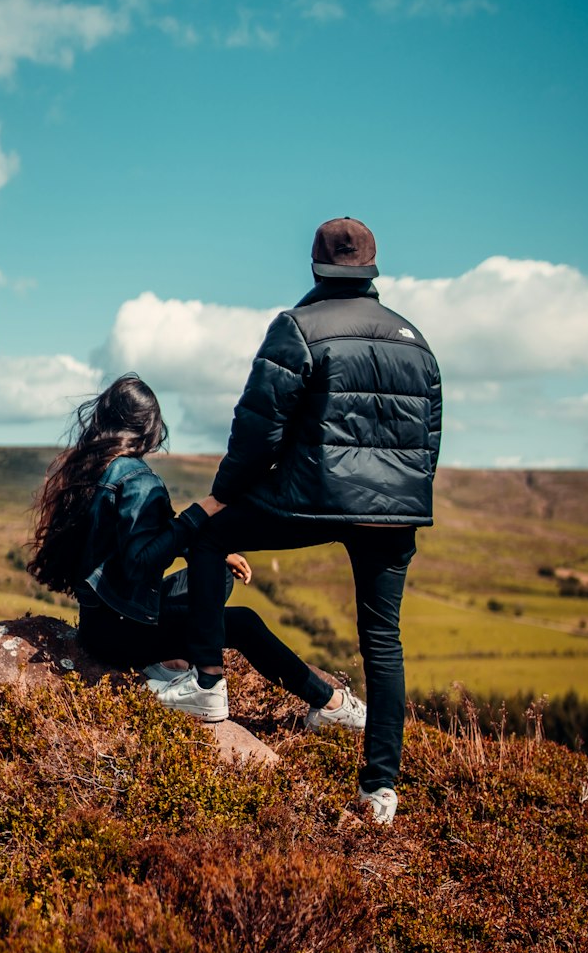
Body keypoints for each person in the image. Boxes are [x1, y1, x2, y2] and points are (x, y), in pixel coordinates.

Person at [181, 218, 442, 824]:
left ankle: (207, 688)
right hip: (395, 513)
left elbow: (257, 426)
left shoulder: (297, 328)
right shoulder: (416, 340)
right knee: (383, 642)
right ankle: (380, 789)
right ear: (372, 269)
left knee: (210, 536)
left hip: (311, 495)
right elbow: (429, 438)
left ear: (316, 266)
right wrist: (406, 498)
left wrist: (225, 494)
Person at [27, 373, 366, 728]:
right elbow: (139, 563)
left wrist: (210, 550)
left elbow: (140, 534)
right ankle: (330, 703)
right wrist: (201, 512)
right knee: (243, 623)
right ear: (150, 428)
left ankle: (170, 659)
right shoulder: (137, 478)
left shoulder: (93, 469)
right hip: (122, 635)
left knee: (215, 572)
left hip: (100, 624)